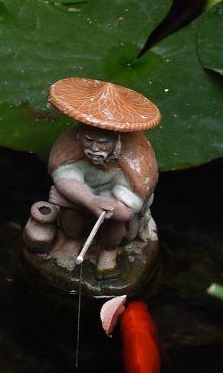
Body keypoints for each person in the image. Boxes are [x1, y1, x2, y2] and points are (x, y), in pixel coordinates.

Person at [24, 77, 161, 275]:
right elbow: (64, 178)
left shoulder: (133, 156)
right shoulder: (72, 145)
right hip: (89, 199)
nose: (94, 149)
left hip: (112, 209)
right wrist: (90, 201)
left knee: (112, 220)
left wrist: (74, 200)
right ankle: (71, 240)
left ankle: (108, 251)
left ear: (116, 142)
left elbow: (125, 210)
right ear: (79, 137)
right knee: (70, 212)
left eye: (103, 143)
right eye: (88, 140)